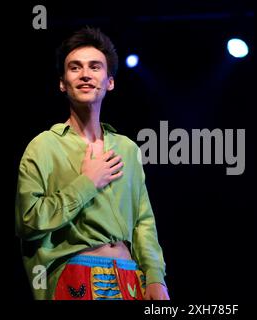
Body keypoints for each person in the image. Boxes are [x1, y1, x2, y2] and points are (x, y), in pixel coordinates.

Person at [15, 27, 169, 300]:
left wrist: (156, 278)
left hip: (129, 278)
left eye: (95, 67)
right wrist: (87, 182)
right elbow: (28, 222)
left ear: (109, 81)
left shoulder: (127, 149)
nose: (85, 74)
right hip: (76, 277)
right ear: (63, 82)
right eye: (75, 68)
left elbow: (143, 222)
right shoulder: (44, 146)